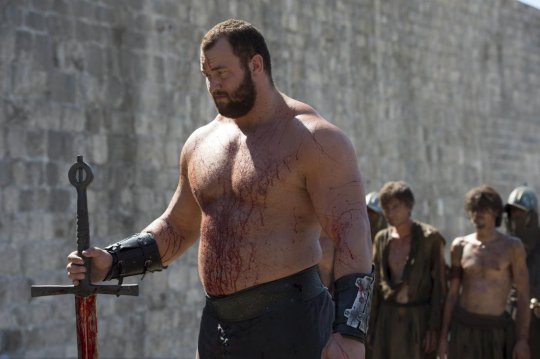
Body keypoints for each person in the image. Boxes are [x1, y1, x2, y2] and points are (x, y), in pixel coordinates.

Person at [66, 19, 373, 359]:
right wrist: (114, 260)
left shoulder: (314, 139)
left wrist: (350, 332)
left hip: (291, 325)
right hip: (216, 328)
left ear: (256, 65)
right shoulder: (201, 143)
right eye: (207, 75)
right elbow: (177, 227)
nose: (213, 85)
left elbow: (351, 232)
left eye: (222, 73)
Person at [438, 185, 530, 359]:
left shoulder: (512, 247)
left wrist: (522, 340)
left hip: (496, 330)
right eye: (474, 210)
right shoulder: (460, 246)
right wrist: (444, 337)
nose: (477, 215)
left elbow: (523, 296)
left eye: (483, 210)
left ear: (495, 212)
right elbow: (452, 294)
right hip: (464, 328)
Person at [369, 181, 446, 359]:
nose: (390, 213)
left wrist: (433, 328)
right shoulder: (382, 239)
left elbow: (439, 288)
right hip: (387, 318)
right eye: (386, 208)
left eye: (395, 206)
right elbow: (375, 287)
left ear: (408, 206)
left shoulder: (430, 239)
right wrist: (371, 326)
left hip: (417, 318)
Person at [319, 192, 385, 289]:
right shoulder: (351, 231)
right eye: (368, 212)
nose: (369, 217)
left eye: (373, 214)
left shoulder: (383, 240)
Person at [505, 185, 540, 358]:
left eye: (520, 213)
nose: (515, 217)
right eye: (513, 213)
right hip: (509, 320)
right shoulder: (503, 246)